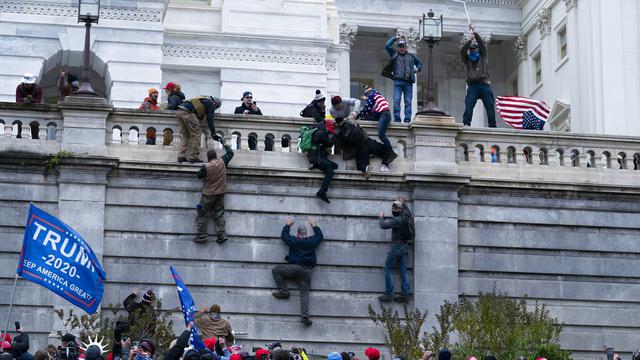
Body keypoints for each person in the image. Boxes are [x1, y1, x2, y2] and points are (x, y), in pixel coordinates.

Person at [272, 218, 324, 325]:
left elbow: (284, 236)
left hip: (294, 268)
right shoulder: (311, 241)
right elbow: (320, 237)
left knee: (276, 270)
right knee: (304, 293)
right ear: (306, 234)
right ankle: (305, 316)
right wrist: (315, 225)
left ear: (298, 234)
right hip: (307, 271)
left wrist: (287, 225)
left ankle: (284, 291)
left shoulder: (295, 240)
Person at [195, 141, 234, 243]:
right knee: (219, 214)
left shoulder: (206, 166)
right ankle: (221, 235)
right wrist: (224, 144)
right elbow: (231, 153)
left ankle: (202, 234)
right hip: (220, 193)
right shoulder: (223, 161)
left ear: (208, 158)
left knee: (201, 213)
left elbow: (199, 175)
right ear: (216, 156)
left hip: (208, 194)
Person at [378, 199, 413, 302]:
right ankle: (405, 294)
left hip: (396, 247)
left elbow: (383, 225)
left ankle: (389, 293)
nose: (393, 210)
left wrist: (381, 216)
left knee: (387, 268)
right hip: (404, 246)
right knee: (403, 270)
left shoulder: (397, 220)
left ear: (396, 210)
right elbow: (408, 212)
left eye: (394, 209)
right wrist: (404, 203)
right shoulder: (406, 215)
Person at [460, 27, 496, 128]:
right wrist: (470, 40)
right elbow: (462, 50)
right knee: (469, 104)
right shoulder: (467, 59)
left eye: (474, 49)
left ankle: (492, 125)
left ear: (477, 49)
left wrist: (475, 34)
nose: (473, 51)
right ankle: (466, 123)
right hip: (473, 86)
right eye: (471, 49)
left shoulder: (483, 56)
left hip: (484, 84)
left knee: (490, 106)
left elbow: (482, 45)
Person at [382, 36, 423, 123]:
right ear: (398, 47)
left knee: (408, 102)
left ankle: (407, 119)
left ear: (406, 47)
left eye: (403, 46)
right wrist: (395, 38)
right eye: (400, 47)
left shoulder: (411, 56)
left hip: (408, 83)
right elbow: (387, 46)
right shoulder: (394, 54)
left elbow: (420, 63)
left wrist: (417, 69)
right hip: (398, 81)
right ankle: (397, 119)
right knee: (396, 100)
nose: (401, 48)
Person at [357, 86, 396, 171]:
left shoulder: (373, 95)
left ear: (368, 93)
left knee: (381, 135)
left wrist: (357, 116)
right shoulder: (378, 96)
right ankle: (389, 153)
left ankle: (391, 152)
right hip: (381, 114)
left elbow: (367, 108)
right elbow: (370, 113)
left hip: (384, 114)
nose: (367, 98)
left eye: (366, 96)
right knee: (366, 118)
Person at [176, 96, 222, 163]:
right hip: (188, 112)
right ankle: (194, 156)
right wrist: (213, 133)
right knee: (197, 133)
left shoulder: (203, 100)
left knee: (185, 134)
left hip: (179, 111)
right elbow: (210, 119)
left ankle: (181, 156)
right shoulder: (210, 104)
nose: (214, 109)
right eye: (216, 107)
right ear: (215, 104)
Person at [307, 110, 337, 203]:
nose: (330, 133)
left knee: (335, 166)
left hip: (316, 157)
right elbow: (329, 144)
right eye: (330, 131)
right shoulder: (322, 133)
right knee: (330, 172)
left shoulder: (319, 131)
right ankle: (322, 192)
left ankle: (315, 165)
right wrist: (336, 136)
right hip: (317, 158)